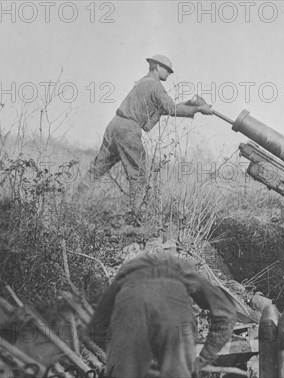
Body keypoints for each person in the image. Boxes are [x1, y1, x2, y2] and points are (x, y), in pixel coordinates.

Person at [77, 54, 213, 213]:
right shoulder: (156, 86)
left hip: (115, 125)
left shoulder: (142, 83)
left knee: (97, 169)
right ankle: (135, 218)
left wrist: (189, 104)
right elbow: (171, 109)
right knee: (139, 177)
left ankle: (73, 203)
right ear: (157, 67)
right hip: (128, 131)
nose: (169, 73)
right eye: (167, 70)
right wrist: (199, 109)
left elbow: (164, 106)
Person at [87, 252, 236, 378]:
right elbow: (226, 313)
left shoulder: (126, 273)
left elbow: (97, 325)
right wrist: (202, 360)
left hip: (129, 302)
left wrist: (119, 356)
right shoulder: (184, 271)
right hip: (173, 310)